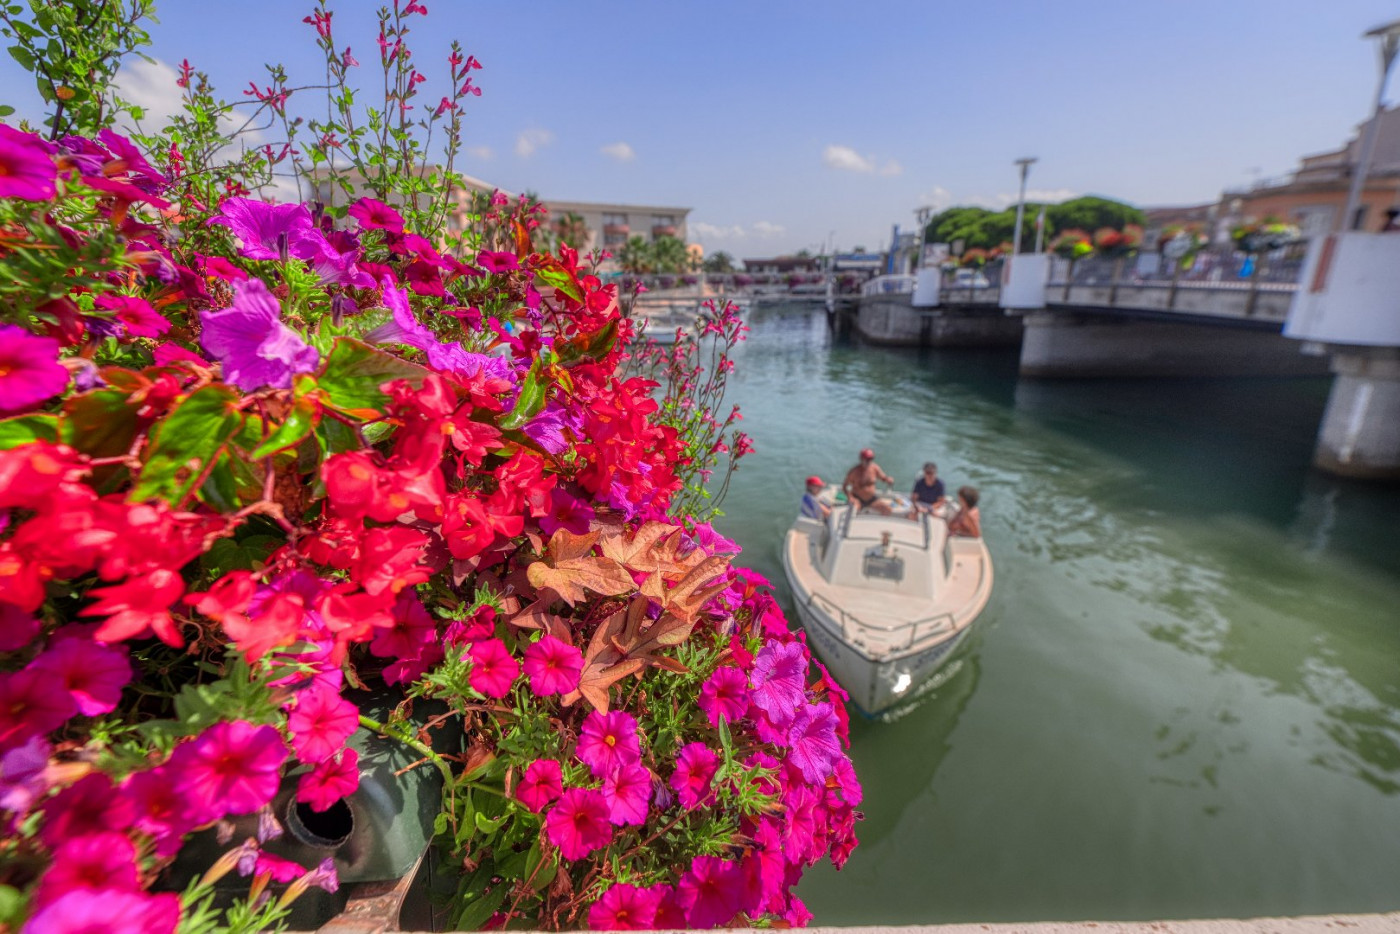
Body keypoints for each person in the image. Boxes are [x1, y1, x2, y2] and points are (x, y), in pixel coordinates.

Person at [842, 448, 893, 515]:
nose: (869, 461)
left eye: (870, 459)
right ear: (861, 459)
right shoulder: (854, 472)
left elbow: (883, 477)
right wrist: (850, 497)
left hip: (871, 499)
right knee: (853, 511)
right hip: (858, 499)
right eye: (867, 459)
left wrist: (888, 479)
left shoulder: (875, 468)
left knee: (887, 509)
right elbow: (845, 486)